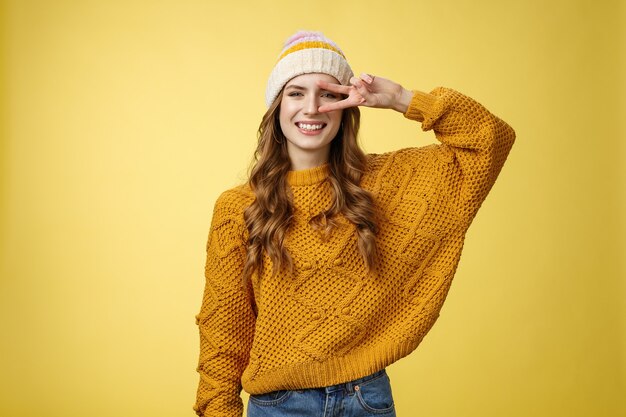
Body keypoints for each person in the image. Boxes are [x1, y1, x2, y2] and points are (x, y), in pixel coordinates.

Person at [193, 31, 515, 417]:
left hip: (366, 399)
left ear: (346, 105)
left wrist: (401, 99)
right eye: (296, 93)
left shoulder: (385, 182)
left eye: (328, 94)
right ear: (276, 107)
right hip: (279, 406)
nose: (312, 107)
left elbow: (490, 141)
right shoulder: (238, 207)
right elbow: (224, 327)